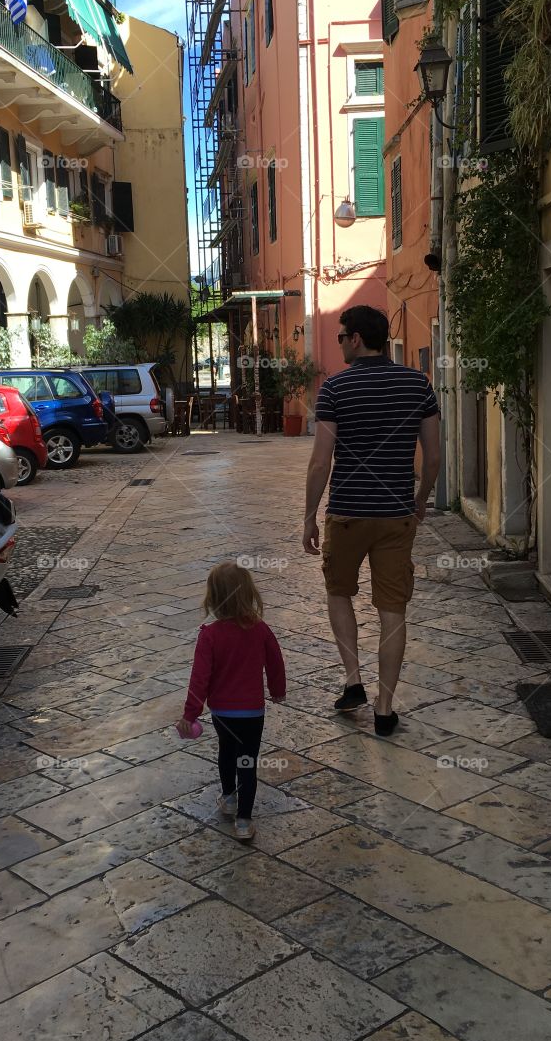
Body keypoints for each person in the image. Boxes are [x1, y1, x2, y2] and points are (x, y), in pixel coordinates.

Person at [302, 305, 441, 736]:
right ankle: (384, 709)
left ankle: (353, 680)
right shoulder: (419, 385)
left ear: (357, 338)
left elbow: (320, 462)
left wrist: (308, 516)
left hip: (346, 515)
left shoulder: (335, 390)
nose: (340, 343)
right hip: (396, 517)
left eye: (342, 337)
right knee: (392, 610)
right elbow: (434, 455)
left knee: (339, 593)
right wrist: (419, 500)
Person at [178, 560, 286, 841]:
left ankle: (228, 798)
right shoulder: (260, 630)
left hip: (223, 713)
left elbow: (199, 679)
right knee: (248, 761)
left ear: (212, 597)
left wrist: (190, 715)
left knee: (226, 753)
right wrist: (277, 690)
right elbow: (276, 663)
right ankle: (244, 822)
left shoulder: (209, 636)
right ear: (249, 593)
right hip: (252, 712)